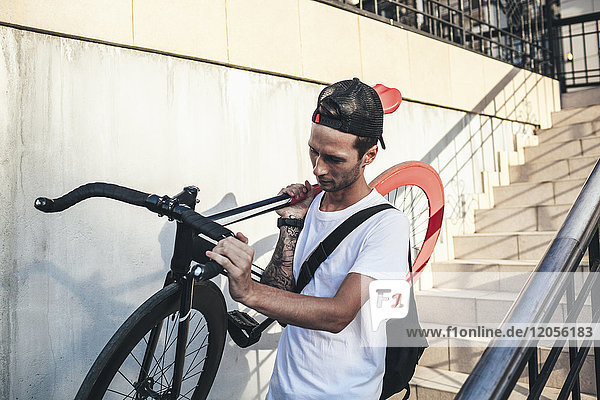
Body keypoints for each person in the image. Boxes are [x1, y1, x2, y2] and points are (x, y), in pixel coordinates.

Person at [206, 78, 410, 399]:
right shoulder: (312, 204)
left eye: (334, 159)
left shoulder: (387, 226)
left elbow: (338, 314)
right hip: (283, 390)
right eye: (313, 151)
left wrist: (248, 291)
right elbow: (279, 294)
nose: (318, 169)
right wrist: (291, 222)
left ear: (369, 155)